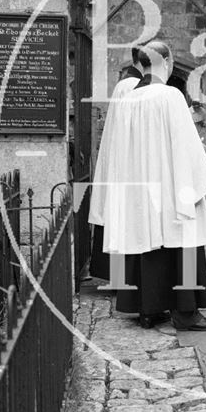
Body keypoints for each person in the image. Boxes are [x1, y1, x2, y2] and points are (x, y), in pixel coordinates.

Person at [92, 40, 206, 331]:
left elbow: (120, 150)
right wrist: (196, 182)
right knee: (183, 241)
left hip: (141, 190)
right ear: (167, 59)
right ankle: (186, 312)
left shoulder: (129, 98)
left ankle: (147, 309)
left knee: (146, 244)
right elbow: (186, 146)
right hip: (172, 187)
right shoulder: (171, 95)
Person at [88, 50, 143, 285]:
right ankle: (121, 277)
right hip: (127, 161)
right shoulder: (131, 85)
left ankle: (120, 277)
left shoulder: (127, 84)